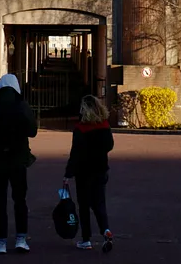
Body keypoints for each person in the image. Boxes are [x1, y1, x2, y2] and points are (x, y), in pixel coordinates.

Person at [0, 73, 38, 255]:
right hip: (17, 159)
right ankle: (21, 238)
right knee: (20, 200)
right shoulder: (22, 105)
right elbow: (32, 131)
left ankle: (1, 241)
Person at [64, 95, 115, 252]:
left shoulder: (80, 129)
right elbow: (110, 145)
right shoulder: (104, 125)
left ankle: (86, 239)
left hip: (84, 172)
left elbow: (76, 153)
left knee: (84, 206)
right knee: (99, 203)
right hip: (101, 169)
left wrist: (68, 173)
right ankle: (105, 229)